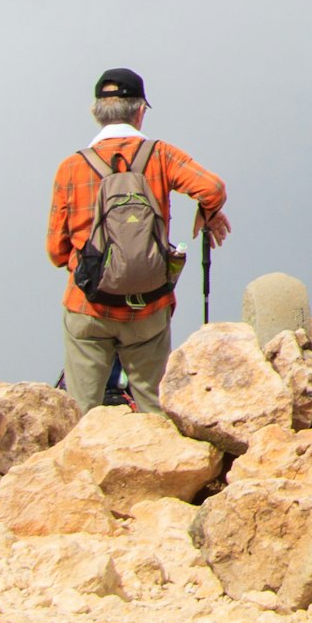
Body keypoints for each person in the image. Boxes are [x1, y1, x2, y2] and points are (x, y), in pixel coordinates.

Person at [45, 64, 231, 409]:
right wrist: (206, 214)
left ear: (95, 112)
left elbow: (56, 251)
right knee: (155, 410)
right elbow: (212, 188)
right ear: (140, 112)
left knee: (80, 413)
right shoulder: (161, 155)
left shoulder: (71, 168)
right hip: (148, 306)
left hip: (88, 305)